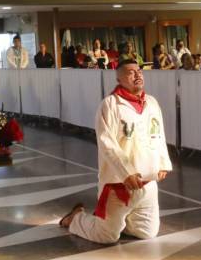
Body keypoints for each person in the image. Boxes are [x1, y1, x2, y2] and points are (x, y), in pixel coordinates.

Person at [58, 58, 172, 243]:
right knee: (106, 236)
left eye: (139, 71)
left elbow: (159, 134)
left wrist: (163, 162)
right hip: (119, 185)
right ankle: (76, 218)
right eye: (131, 72)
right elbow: (106, 143)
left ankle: (120, 220)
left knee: (147, 232)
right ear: (119, 79)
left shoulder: (151, 103)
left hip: (148, 182)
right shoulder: (110, 104)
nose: (137, 75)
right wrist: (126, 173)